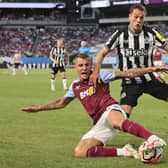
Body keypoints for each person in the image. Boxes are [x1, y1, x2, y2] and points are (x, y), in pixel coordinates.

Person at [22, 54, 167, 158]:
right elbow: (61, 103)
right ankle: (125, 151)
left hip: (111, 109)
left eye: (87, 65)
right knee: (80, 152)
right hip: (99, 122)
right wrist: (39, 108)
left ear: (91, 66)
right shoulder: (75, 86)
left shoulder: (99, 76)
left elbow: (128, 73)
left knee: (115, 121)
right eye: (80, 65)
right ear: (75, 67)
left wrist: (151, 69)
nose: (84, 68)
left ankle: (153, 138)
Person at [90, 4, 168, 116]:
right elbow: (101, 53)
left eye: (141, 17)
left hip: (150, 79)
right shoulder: (120, 35)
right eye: (136, 17)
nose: (138, 20)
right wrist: (95, 72)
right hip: (130, 82)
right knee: (122, 117)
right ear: (129, 16)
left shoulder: (151, 33)